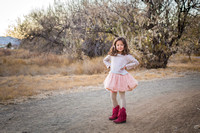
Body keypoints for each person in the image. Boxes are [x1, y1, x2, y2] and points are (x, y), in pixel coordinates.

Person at [103, 37, 139, 124]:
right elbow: (105, 60)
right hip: (113, 78)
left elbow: (136, 62)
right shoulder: (112, 55)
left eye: (121, 45)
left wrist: (127, 66)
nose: (119, 47)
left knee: (122, 96)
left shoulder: (126, 56)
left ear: (124, 46)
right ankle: (115, 113)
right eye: (118, 45)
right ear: (114, 45)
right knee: (112, 96)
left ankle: (122, 116)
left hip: (122, 77)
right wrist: (109, 66)